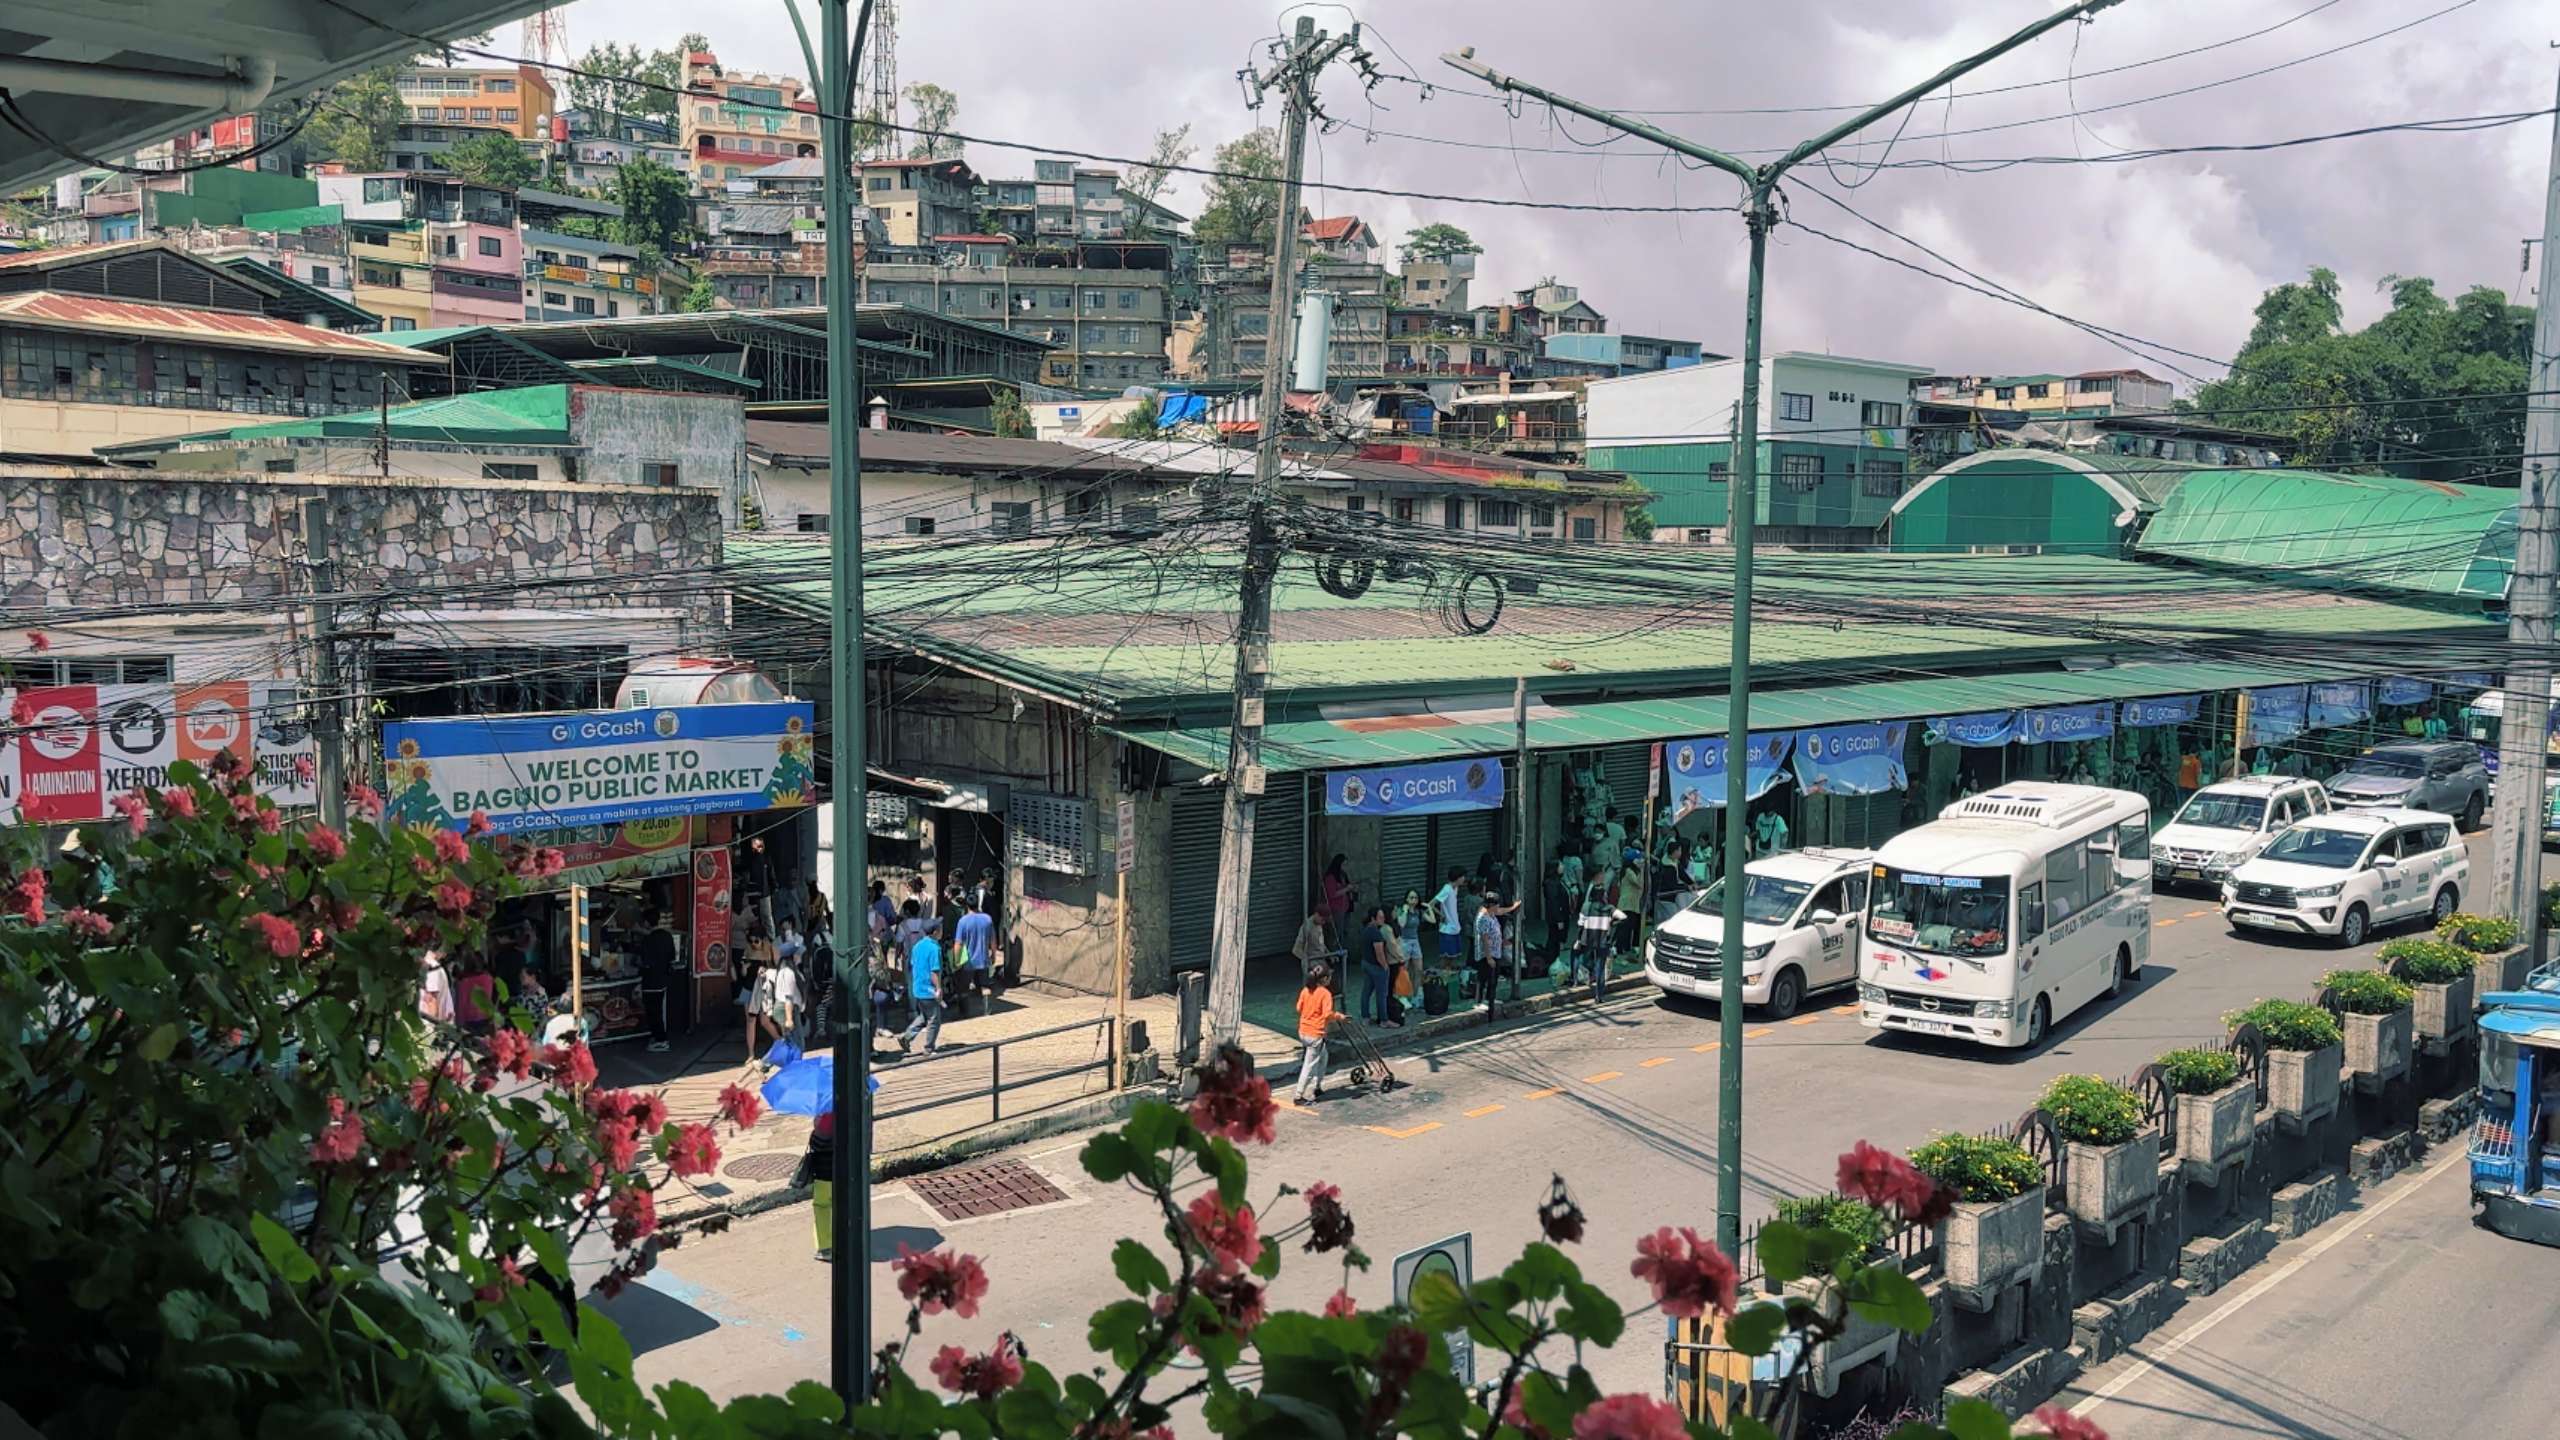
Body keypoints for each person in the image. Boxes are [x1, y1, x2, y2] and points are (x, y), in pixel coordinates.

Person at [746, 940, 803, 1066]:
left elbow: (768, 973)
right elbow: (788, 997)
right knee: (795, 1044)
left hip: (786, 1009)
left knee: (790, 1043)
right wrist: (789, 1019)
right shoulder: (788, 972)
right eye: (797, 955)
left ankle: (766, 1064)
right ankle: (765, 1064)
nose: (800, 957)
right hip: (787, 1010)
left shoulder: (784, 971)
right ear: (792, 957)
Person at [1294, 960, 1340, 1103]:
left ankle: (1318, 1086)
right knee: (1310, 1064)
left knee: (1323, 1057)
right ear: (1325, 979)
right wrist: (1340, 1017)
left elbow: (1298, 1008)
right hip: (1315, 1034)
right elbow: (1327, 1014)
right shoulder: (1325, 994)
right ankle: (1298, 1095)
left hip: (1303, 1032)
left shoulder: (1305, 990)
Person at [897, 923, 946, 1054]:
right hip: (929, 990)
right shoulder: (935, 948)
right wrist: (938, 988)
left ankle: (906, 1037)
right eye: (940, 930)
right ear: (935, 932)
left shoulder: (917, 946)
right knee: (934, 1020)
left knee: (924, 1016)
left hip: (918, 988)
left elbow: (913, 964)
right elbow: (934, 971)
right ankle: (929, 1048)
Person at [636, 912, 679, 1053]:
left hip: (650, 981)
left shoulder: (648, 940)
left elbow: (644, 961)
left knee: (652, 1012)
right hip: (663, 980)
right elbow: (673, 957)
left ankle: (661, 1040)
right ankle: (659, 1037)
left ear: (647, 923)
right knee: (659, 1011)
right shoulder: (667, 936)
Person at [1473, 890, 1518, 1006]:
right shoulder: (1483, 917)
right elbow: (1485, 938)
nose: (1498, 906)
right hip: (1486, 954)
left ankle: (1489, 998)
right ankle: (1479, 1002)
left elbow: (1501, 911)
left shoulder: (1491, 913)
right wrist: (1489, 957)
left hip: (1495, 951)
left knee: (1493, 977)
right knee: (1483, 978)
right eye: (1496, 904)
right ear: (1491, 905)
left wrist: (1513, 907)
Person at [952, 895, 995, 1016]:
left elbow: (958, 943)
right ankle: (987, 1012)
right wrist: (993, 954)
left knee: (964, 988)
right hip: (984, 959)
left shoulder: (963, 921)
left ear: (967, 905)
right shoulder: (987, 919)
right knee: (985, 987)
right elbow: (992, 939)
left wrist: (957, 960)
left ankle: (964, 1013)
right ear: (978, 904)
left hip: (968, 961)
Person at [1357, 903, 1395, 1026]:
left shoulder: (1365, 930)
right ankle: (1384, 1019)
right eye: (1380, 917)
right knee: (1381, 993)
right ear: (1373, 918)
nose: (1383, 919)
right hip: (1376, 966)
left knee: (1366, 991)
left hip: (1366, 963)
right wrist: (1385, 966)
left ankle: (1365, 1017)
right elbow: (1379, 953)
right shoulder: (1376, 933)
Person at [1431, 867, 1465, 974]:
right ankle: (1441, 978)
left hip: (1455, 927)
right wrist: (1441, 915)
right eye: (1462, 876)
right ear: (1457, 878)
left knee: (1453, 956)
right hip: (1447, 929)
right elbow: (1431, 904)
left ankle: (1448, 976)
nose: (1464, 879)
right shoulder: (1447, 889)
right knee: (1445, 957)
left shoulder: (1455, 889)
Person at [1320, 854, 1356, 947]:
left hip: (1346, 907)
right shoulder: (1330, 877)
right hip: (1336, 909)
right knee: (1337, 933)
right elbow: (1332, 894)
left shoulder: (1343, 875)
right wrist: (1346, 889)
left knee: (1345, 932)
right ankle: (1334, 953)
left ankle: (1343, 953)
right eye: (1344, 864)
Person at [1291, 904, 1335, 968]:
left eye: (1325, 921)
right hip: (1312, 963)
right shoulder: (1307, 927)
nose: (1323, 923)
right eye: (1323, 920)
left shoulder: (1318, 925)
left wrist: (1329, 954)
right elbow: (1296, 950)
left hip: (1321, 960)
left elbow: (1321, 943)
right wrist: (1308, 960)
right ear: (1317, 914)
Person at [418, 949, 454, 1027]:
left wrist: (429, 1027)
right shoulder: (433, 966)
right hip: (435, 1024)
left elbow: (430, 1000)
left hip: (427, 1025)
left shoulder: (431, 967)